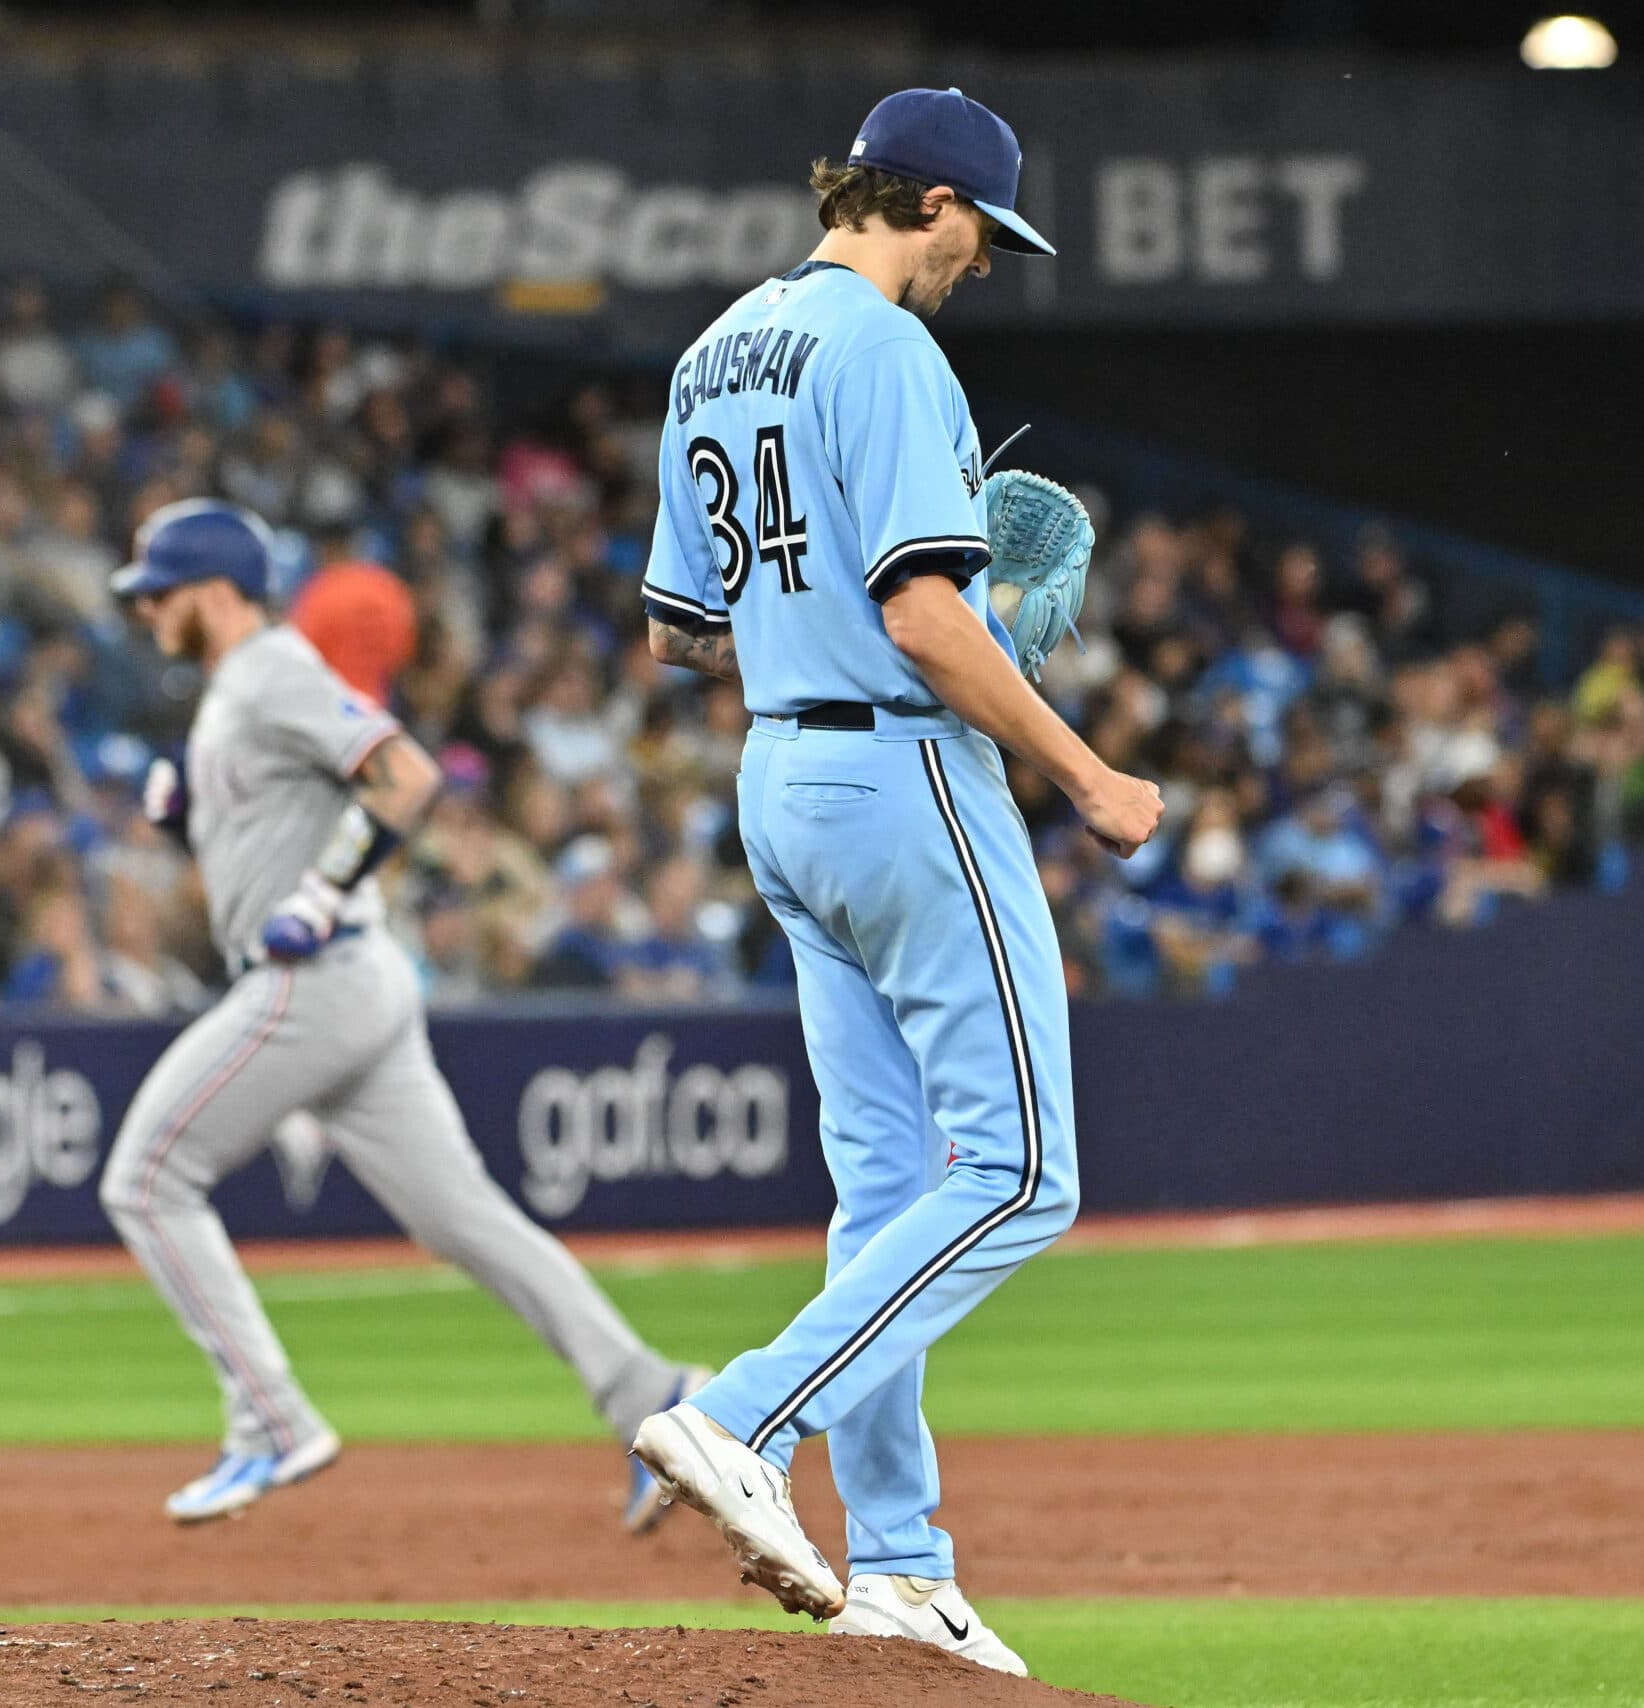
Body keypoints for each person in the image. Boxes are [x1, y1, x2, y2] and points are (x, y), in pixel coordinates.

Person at [625, 88, 1164, 1673]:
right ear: (925, 201)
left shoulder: (712, 349)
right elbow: (930, 623)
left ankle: (906, 1568)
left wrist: (836, 625)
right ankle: (735, 1420)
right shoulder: (890, 351)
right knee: (1018, 1175)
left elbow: (674, 633)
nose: (982, 265)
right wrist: (1087, 772)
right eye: (981, 233)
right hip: (907, 776)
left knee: (885, 1195)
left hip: (781, 780)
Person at [97, 499, 703, 1528]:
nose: (147, 608)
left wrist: (323, 888)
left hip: (316, 977)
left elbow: (405, 775)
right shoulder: (237, 687)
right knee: (463, 1217)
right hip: (352, 978)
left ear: (210, 589)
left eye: (159, 590)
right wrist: (194, 812)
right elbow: (302, 803)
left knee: (146, 1176)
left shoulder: (272, 667)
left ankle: (270, 1420)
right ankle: (654, 1396)